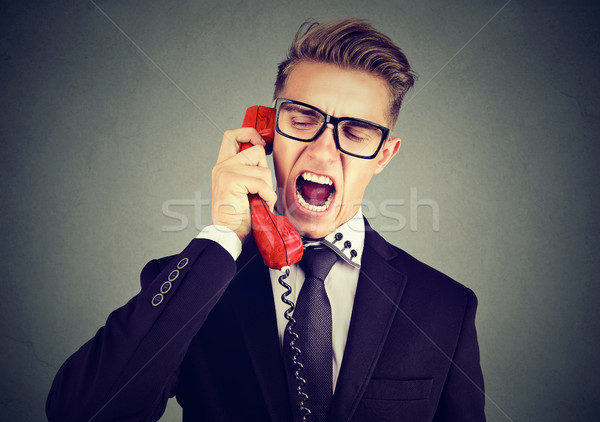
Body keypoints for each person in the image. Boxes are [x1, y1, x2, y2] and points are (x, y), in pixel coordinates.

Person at [46, 19, 485, 422]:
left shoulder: (445, 306)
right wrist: (223, 235)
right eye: (302, 118)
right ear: (268, 129)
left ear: (384, 155)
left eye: (354, 132)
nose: (322, 151)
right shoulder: (192, 284)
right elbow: (79, 412)